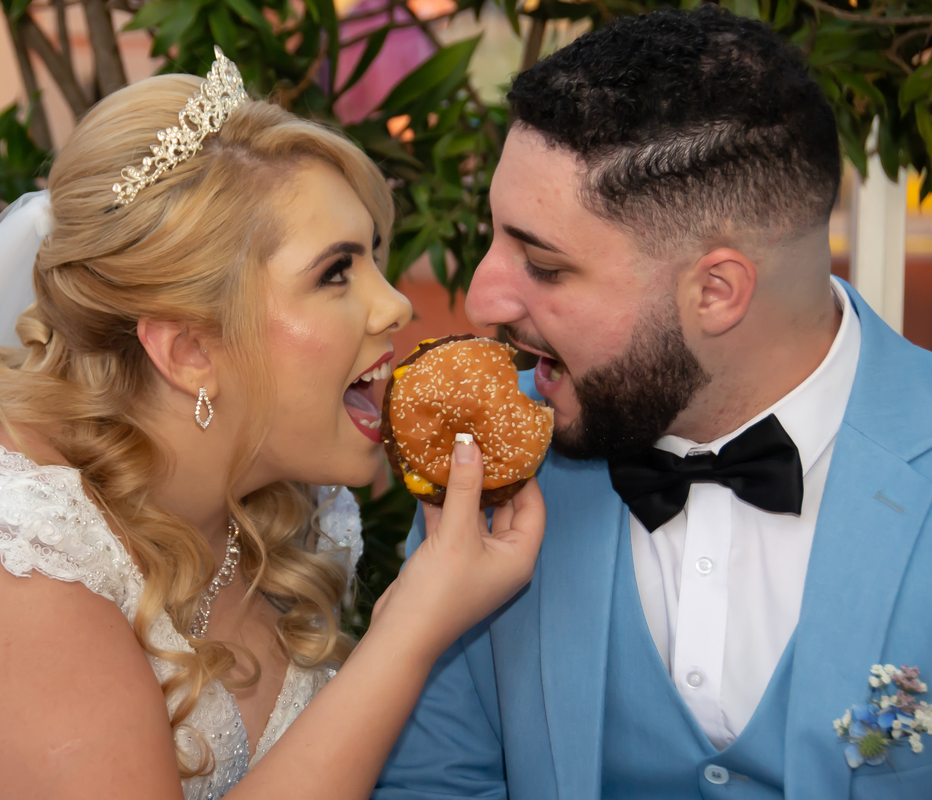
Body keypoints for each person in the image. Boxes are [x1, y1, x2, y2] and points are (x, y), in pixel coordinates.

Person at [0, 50, 545, 800]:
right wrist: (414, 625)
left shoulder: (284, 515)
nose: (395, 304)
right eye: (336, 273)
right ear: (190, 348)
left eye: (373, 255)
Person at [376, 7, 932, 799]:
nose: (483, 298)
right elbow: (433, 785)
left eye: (545, 263)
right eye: (494, 235)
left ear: (715, 291)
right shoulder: (491, 464)